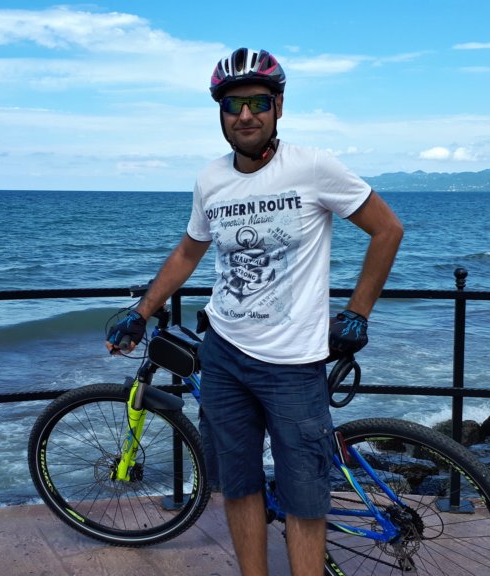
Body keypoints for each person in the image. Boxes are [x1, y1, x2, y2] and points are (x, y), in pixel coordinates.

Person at [106, 47, 403, 576]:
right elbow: (188, 253)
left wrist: (358, 313)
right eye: (232, 104)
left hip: (294, 365)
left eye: (258, 103)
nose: (245, 115)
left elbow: (387, 229)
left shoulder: (312, 166)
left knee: (305, 497)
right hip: (224, 356)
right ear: (220, 112)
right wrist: (142, 311)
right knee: (238, 485)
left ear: (278, 107)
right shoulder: (210, 180)